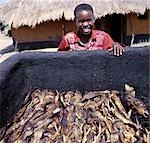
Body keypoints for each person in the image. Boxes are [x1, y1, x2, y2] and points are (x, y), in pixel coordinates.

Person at [58, 3, 126, 56]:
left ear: (93, 20)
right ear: (75, 21)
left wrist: (116, 45)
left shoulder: (102, 37)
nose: (85, 24)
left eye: (89, 20)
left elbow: (115, 48)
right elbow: (59, 59)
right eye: (81, 21)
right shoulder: (68, 39)